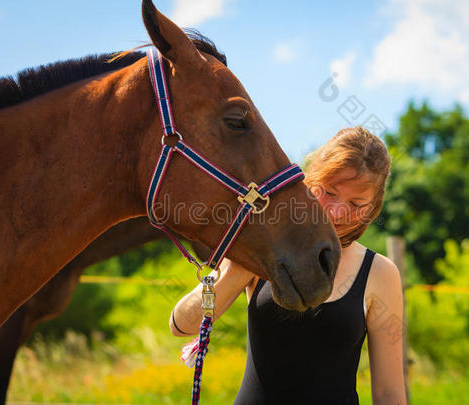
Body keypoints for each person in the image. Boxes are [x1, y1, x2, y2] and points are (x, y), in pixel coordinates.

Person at [170, 127, 407, 405]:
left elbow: (389, 394)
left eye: (357, 203)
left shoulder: (380, 273)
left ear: (373, 207)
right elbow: (182, 324)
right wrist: (239, 269)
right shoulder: (263, 246)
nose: (337, 212)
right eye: (329, 192)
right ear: (310, 180)